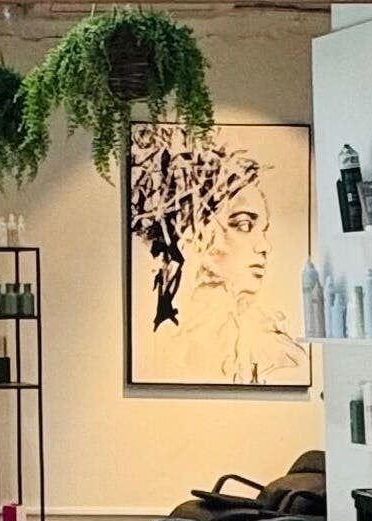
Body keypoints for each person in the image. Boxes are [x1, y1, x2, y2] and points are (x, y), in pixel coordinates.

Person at [130, 130, 307, 388]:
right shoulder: (161, 349)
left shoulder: (277, 354)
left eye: (263, 230)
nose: (264, 246)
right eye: (244, 225)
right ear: (194, 234)